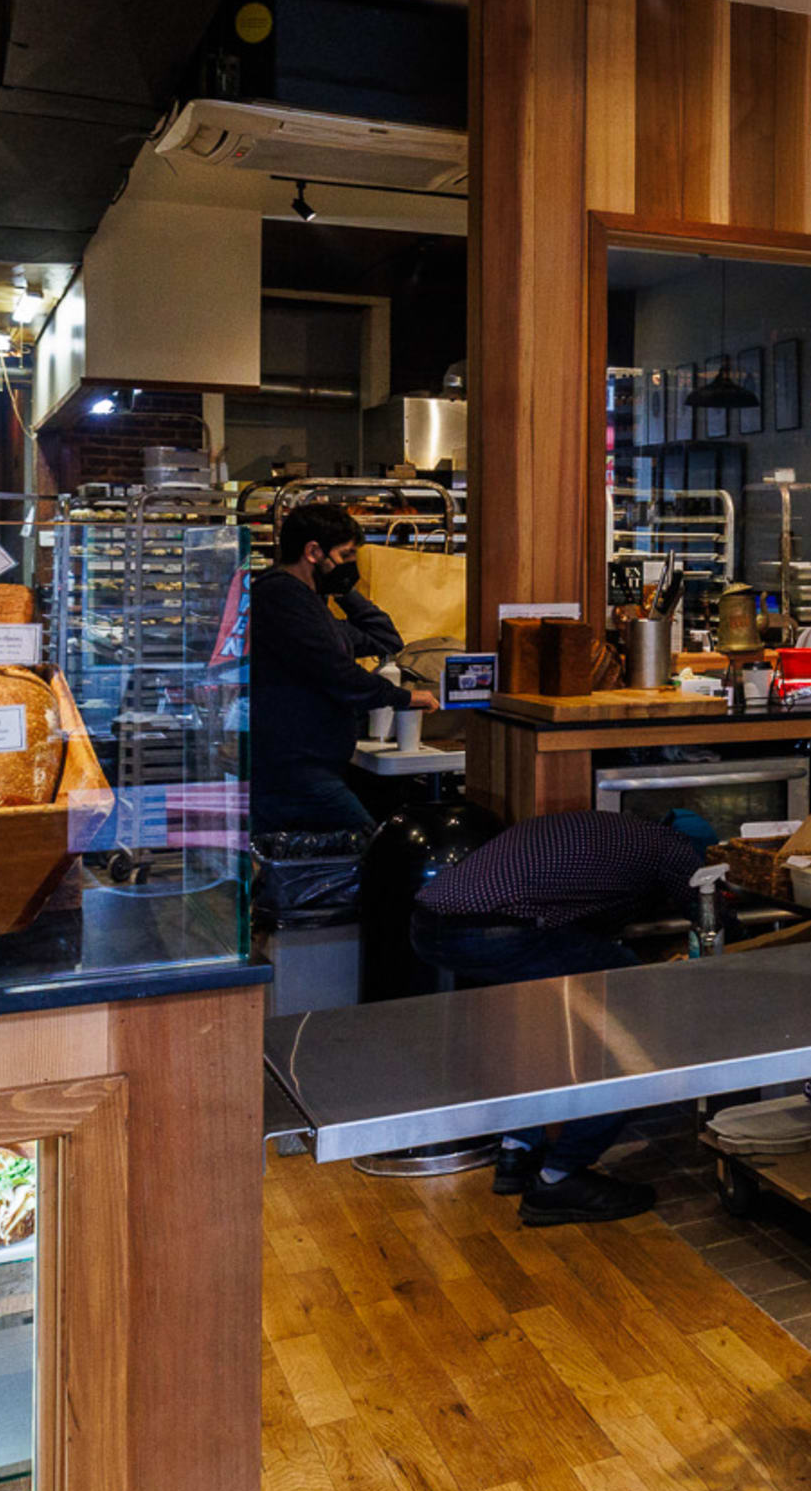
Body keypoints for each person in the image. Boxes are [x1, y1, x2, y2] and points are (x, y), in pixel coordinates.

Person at [412, 809, 715, 1223]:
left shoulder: (613, 829)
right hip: (496, 932)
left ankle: (517, 1151)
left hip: (430, 925)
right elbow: (710, 916)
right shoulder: (675, 849)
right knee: (634, 1023)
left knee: (544, 1029)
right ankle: (560, 1177)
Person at [247, 500, 406, 837]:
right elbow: (339, 675)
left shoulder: (311, 605)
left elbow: (385, 639)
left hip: (310, 767)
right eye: (346, 556)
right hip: (292, 771)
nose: (352, 565)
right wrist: (404, 697)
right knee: (371, 850)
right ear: (314, 552)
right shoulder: (281, 598)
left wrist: (345, 591)